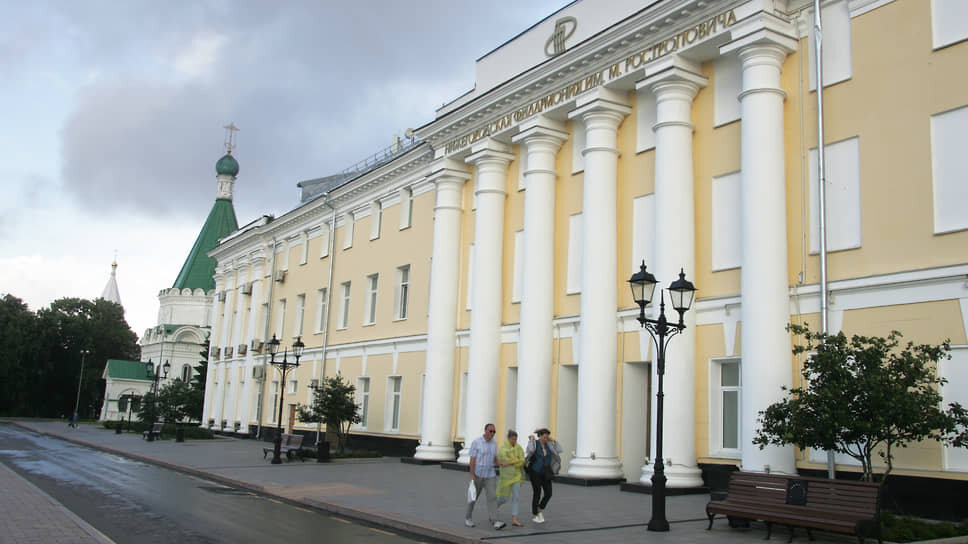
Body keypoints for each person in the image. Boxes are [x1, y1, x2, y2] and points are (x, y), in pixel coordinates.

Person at [466, 423, 506, 530]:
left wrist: (500, 463)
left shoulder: (494, 443)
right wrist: (472, 475)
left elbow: (494, 458)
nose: (492, 433)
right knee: (473, 497)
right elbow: (472, 460)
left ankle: (495, 520)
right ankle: (468, 517)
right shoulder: (476, 442)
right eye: (490, 431)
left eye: (494, 432)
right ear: (485, 431)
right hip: (478, 474)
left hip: (490, 475)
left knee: (492, 497)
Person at [525, 428, 561, 524]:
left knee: (549, 493)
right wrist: (531, 440)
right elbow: (530, 450)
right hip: (535, 471)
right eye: (544, 437)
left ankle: (539, 509)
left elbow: (559, 450)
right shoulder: (535, 443)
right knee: (537, 492)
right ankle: (535, 515)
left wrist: (554, 441)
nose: (545, 439)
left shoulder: (549, 444)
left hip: (546, 472)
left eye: (547, 437)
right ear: (540, 436)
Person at [496, 429, 525, 527]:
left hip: (517, 476)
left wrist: (511, 462)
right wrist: (515, 461)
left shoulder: (518, 448)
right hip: (506, 477)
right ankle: (493, 508)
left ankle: (514, 519)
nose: (514, 441)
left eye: (515, 439)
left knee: (516, 497)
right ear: (508, 438)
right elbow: (504, 459)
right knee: (504, 498)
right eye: (512, 439)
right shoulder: (503, 449)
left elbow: (522, 460)